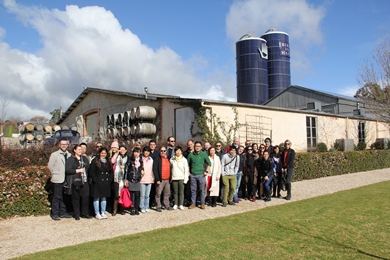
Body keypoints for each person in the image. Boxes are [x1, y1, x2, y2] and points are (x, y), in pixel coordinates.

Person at [48, 139, 72, 221]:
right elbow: (50, 166)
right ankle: (55, 213)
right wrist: (55, 173)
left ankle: (63, 212)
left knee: (64, 196)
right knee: (57, 196)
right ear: (59, 145)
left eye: (65, 144)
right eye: (62, 144)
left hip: (66, 178)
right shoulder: (55, 155)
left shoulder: (69, 155)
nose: (64, 145)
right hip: (58, 178)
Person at [65, 144, 91, 220]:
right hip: (75, 181)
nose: (81, 151)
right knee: (75, 198)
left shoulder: (85, 159)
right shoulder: (71, 159)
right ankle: (76, 214)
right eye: (79, 149)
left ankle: (85, 213)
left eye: (81, 149)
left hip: (84, 180)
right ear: (75, 150)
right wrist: (77, 170)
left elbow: (88, 169)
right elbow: (67, 170)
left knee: (85, 198)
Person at [89, 147, 113, 220]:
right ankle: (97, 212)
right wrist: (95, 180)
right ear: (99, 153)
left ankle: (103, 212)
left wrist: (109, 179)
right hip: (97, 182)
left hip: (105, 182)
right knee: (97, 198)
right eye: (102, 153)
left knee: (104, 197)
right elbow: (91, 172)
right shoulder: (95, 161)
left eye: (105, 153)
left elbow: (111, 171)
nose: (103, 155)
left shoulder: (108, 161)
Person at [187, 141, 211, 209]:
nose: (197, 148)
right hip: (193, 175)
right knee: (193, 190)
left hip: (201, 175)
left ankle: (202, 203)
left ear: (201, 147)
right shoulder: (191, 155)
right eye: (196, 146)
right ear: (194, 147)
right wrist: (188, 172)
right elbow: (187, 164)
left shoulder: (204, 154)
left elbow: (209, 163)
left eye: (199, 146)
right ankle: (193, 203)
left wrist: (206, 171)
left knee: (202, 190)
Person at [125, 147, 144, 215]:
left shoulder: (140, 161)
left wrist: (141, 174)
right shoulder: (130, 160)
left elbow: (141, 169)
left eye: (137, 152)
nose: (136, 154)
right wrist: (126, 180)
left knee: (137, 195)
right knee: (131, 195)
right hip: (131, 179)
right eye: (135, 152)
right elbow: (126, 170)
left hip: (138, 180)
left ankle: (136, 208)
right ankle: (132, 208)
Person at [153, 146, 172, 212]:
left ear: (166, 151)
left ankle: (166, 205)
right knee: (158, 193)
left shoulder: (168, 158)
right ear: (159, 151)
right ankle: (158, 206)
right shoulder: (157, 159)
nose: (163, 152)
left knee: (167, 193)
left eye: (164, 151)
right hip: (160, 180)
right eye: (161, 151)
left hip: (167, 179)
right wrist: (157, 179)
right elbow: (155, 169)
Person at [112, 145, 128, 216]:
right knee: (116, 194)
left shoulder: (128, 158)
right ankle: (114, 210)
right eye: (121, 149)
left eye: (123, 149)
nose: (122, 151)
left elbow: (129, 167)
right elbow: (112, 161)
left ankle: (122, 209)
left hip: (123, 177)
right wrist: (116, 153)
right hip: (116, 177)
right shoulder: (117, 156)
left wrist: (124, 167)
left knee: (122, 194)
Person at [140, 146, 154, 213]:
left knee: (147, 195)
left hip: (149, 179)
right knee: (142, 195)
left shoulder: (151, 159)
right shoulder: (140, 159)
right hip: (142, 179)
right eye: (145, 151)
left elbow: (152, 170)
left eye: (148, 151)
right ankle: (142, 207)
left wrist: (153, 178)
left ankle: (146, 206)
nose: (146, 152)